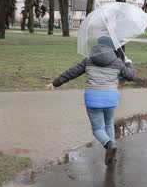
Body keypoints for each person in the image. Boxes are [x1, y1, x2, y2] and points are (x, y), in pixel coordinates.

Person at [46, 36, 134, 165]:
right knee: (109, 124)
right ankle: (111, 151)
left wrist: (55, 83)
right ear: (112, 47)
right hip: (111, 98)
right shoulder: (118, 62)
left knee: (98, 128)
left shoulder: (89, 60)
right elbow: (131, 76)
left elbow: (71, 72)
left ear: (97, 46)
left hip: (93, 99)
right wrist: (129, 63)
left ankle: (109, 145)